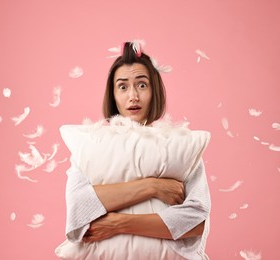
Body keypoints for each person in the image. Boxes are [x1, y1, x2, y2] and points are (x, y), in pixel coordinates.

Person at [55, 41, 211, 259]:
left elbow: (196, 220)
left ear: (154, 91)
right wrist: (153, 186)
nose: (133, 96)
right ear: (113, 95)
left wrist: (119, 224)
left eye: (142, 85)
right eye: (122, 86)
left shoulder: (179, 149)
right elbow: (79, 207)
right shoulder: (93, 147)